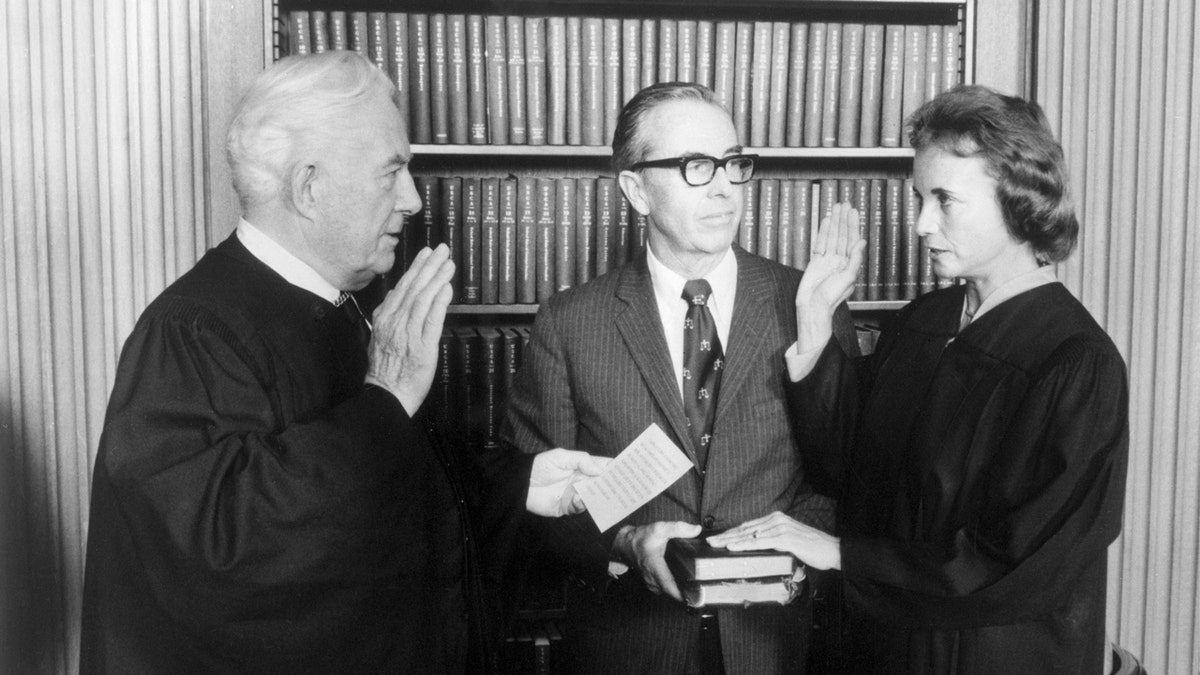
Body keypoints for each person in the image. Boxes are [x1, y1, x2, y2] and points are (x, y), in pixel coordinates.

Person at [80, 51, 607, 674]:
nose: (412, 199)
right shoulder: (193, 331)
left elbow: (401, 498)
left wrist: (521, 487)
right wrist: (383, 397)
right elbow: (222, 555)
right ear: (308, 187)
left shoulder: (352, 307)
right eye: (392, 173)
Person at [709, 84, 1129, 673]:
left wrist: (843, 555)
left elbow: (1019, 562)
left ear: (1017, 199)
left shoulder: (1075, 362)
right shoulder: (922, 324)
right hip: (888, 648)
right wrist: (814, 322)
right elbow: (843, 470)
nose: (921, 224)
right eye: (918, 198)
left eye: (945, 200)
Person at [501, 81, 858, 675]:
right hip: (629, 649)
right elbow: (527, 507)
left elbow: (844, 476)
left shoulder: (810, 302)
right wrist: (621, 546)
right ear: (636, 189)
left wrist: (793, 565)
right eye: (695, 166)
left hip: (774, 645)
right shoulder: (570, 323)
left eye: (733, 163)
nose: (723, 188)